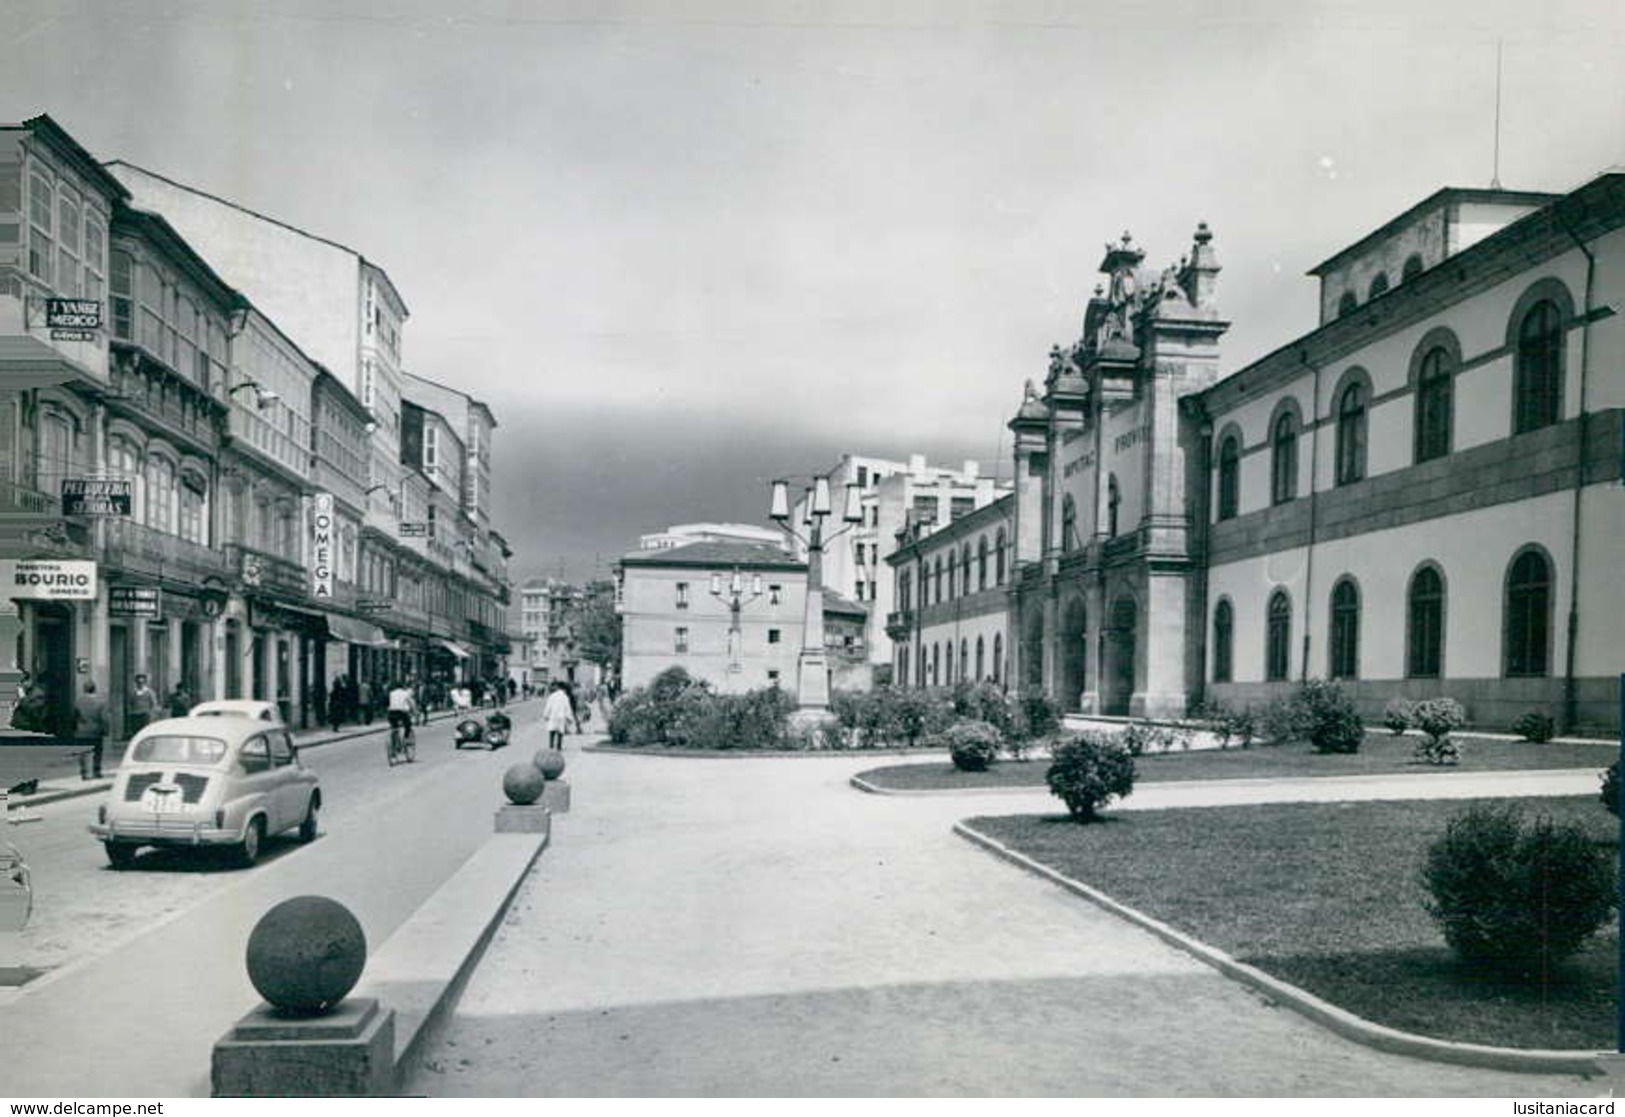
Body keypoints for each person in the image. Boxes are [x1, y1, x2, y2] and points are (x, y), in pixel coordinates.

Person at [75, 680, 109, 780]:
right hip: (95, 730)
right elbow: (104, 718)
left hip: (81, 730)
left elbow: (74, 715)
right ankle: (96, 771)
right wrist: (106, 730)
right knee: (97, 752)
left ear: (84, 689)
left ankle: (84, 772)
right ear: (95, 689)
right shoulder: (101, 702)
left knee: (82, 752)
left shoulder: (78, 701)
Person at [542, 681, 574, 751]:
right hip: (561, 716)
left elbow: (548, 706)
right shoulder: (565, 697)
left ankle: (551, 746)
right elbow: (567, 708)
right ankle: (559, 746)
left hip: (553, 716)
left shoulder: (552, 696)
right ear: (563, 689)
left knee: (552, 731)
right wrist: (569, 718)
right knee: (560, 732)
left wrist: (546, 715)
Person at [385, 680, 417, 749]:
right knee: (408, 725)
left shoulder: (391, 693)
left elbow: (388, 703)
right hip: (402, 713)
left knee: (394, 727)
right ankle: (406, 739)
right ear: (402, 687)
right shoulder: (405, 693)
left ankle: (393, 745)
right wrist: (415, 712)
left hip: (391, 713)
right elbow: (411, 703)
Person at [128, 673, 157, 739]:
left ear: (145, 682)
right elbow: (130, 703)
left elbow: (153, 704)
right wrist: (131, 712)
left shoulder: (149, 692)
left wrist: (151, 714)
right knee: (135, 730)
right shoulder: (133, 692)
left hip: (145, 715)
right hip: (135, 715)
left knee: (144, 730)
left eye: (142, 682)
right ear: (136, 682)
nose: (140, 684)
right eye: (138, 682)